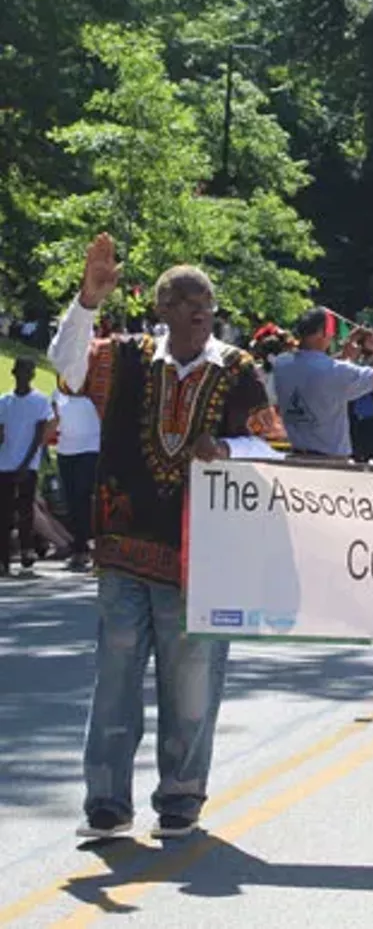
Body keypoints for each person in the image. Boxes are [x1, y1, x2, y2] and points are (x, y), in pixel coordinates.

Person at [49, 233, 279, 841]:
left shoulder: (236, 371)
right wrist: (87, 301)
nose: (199, 310)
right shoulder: (124, 360)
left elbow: (273, 451)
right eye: (184, 300)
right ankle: (106, 798)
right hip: (123, 548)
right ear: (161, 311)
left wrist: (227, 447)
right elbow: (65, 367)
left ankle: (180, 794)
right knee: (116, 676)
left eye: (205, 301)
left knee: (192, 679)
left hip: (200, 557)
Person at [272, 308, 373, 459]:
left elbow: (315, 367)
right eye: (330, 331)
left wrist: (345, 355)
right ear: (321, 333)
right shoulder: (336, 372)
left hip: (296, 455)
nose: (332, 335)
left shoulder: (281, 364)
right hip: (330, 462)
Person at [0, 357, 54, 575]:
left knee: (25, 510)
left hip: (27, 464)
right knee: (4, 512)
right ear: (14, 373)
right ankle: (3, 559)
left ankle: (26, 549)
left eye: (29, 372)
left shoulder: (40, 401)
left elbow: (39, 435)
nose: (25, 376)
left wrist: (26, 463)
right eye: (21, 371)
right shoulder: (4, 402)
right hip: (4, 464)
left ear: (32, 375)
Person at [53, 378, 102, 571]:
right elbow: (54, 420)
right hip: (65, 451)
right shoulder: (58, 394)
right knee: (71, 499)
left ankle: (89, 547)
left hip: (90, 450)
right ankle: (79, 548)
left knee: (83, 495)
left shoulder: (94, 396)